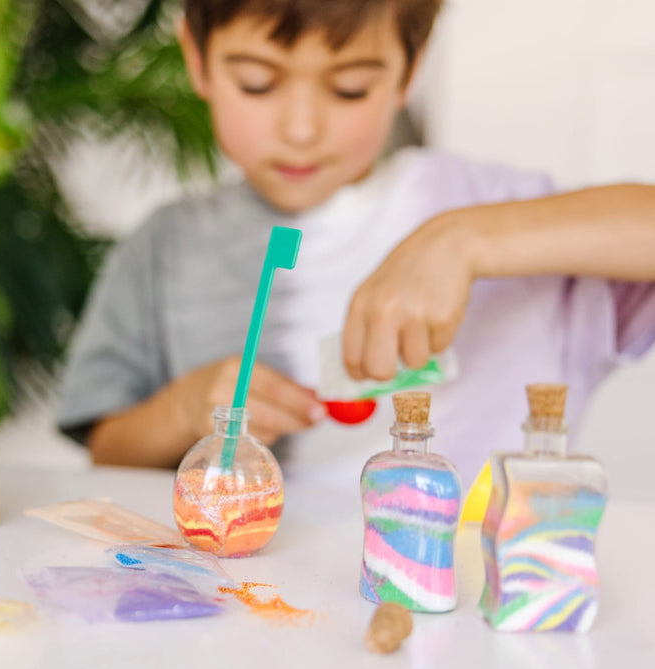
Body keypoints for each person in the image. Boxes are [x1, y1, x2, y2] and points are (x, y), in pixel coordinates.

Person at [55, 0, 655, 489]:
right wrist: (183, 413)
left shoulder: (496, 213)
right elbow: (108, 455)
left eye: (348, 89)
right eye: (257, 83)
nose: (300, 129)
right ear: (198, 59)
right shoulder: (165, 249)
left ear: (410, 69)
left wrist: (465, 239)